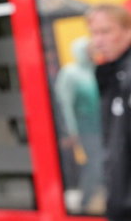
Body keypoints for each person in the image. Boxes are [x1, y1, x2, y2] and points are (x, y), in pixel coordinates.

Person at [89, 3, 131, 221]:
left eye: (106, 31)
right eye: (94, 33)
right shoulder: (110, 74)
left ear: (128, 30)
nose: (98, 41)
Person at [56, 35, 105, 213]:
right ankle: (85, 203)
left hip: (104, 126)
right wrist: (71, 131)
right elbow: (65, 104)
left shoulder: (97, 69)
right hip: (85, 129)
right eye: (88, 49)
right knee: (95, 164)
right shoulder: (70, 73)